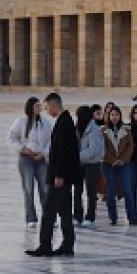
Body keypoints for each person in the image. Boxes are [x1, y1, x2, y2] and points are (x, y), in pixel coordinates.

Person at [26, 92, 80, 257]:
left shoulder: (64, 123)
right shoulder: (64, 121)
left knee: (49, 212)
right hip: (63, 176)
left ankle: (45, 246)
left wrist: (59, 175)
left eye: (47, 107)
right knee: (65, 212)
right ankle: (68, 244)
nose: (47, 111)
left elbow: (64, 152)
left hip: (60, 177)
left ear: (54, 105)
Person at [7, 96, 52, 228]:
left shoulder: (46, 123)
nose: (39, 108)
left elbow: (51, 141)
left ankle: (49, 216)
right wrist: (23, 149)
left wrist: (44, 153)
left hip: (41, 159)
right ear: (30, 107)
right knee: (28, 188)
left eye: (40, 106)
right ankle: (31, 218)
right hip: (26, 159)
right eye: (37, 106)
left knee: (45, 188)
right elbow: (10, 138)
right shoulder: (21, 121)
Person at [101, 105, 135, 224]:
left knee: (127, 190)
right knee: (110, 191)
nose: (114, 117)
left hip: (124, 164)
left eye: (116, 115)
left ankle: (131, 217)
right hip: (108, 164)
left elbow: (130, 146)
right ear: (108, 116)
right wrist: (112, 160)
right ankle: (113, 217)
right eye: (112, 115)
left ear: (120, 116)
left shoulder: (126, 130)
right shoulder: (103, 130)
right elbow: (103, 148)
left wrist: (122, 160)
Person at [74, 104, 104, 227]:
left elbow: (93, 150)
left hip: (92, 164)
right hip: (79, 164)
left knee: (91, 192)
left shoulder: (94, 130)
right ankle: (77, 215)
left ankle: (90, 217)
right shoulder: (77, 128)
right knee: (77, 191)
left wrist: (77, 157)